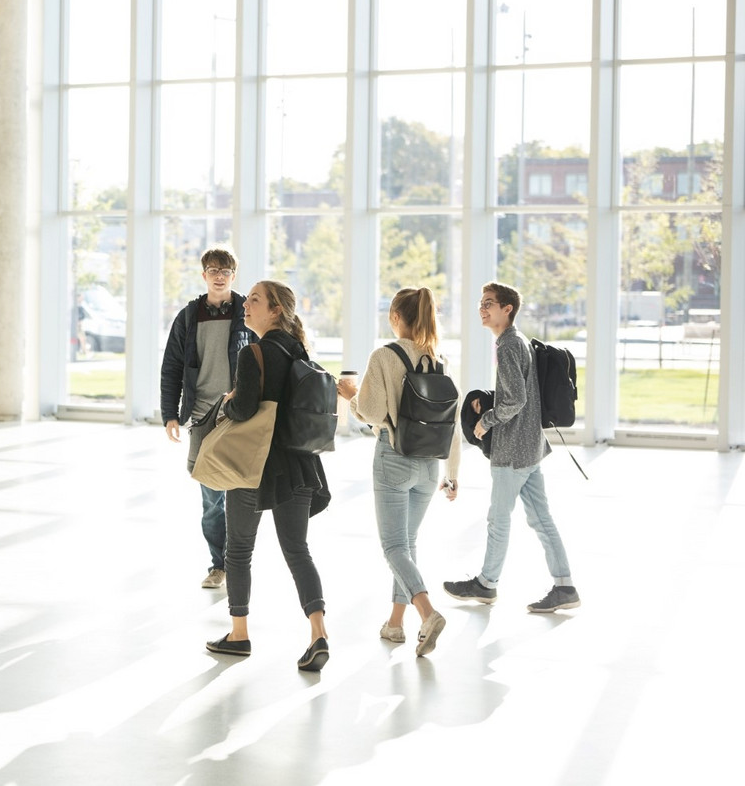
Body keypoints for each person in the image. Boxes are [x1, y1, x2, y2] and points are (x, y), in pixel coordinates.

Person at [204, 280, 332, 672]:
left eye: (255, 300)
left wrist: (229, 400)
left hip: (253, 466)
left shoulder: (253, 353)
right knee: (297, 550)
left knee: (239, 550)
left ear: (275, 310)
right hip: (298, 465)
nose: (247, 305)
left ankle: (239, 634)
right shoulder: (299, 351)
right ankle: (318, 633)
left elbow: (243, 410)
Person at [443, 282, 581, 613]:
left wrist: (485, 420)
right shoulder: (518, 341)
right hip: (531, 447)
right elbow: (519, 394)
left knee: (498, 519)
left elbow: (515, 400)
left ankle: (486, 584)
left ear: (507, 309)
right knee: (541, 518)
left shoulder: (507, 345)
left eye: (489, 303)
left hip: (513, 451)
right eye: (481, 303)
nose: (482, 308)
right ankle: (565, 587)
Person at [338, 287, 460, 657]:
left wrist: (351, 394)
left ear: (395, 318)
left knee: (393, 546)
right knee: (406, 545)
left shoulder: (385, 356)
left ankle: (427, 613)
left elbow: (373, 413)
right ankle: (395, 624)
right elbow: (450, 425)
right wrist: (452, 474)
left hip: (393, 457)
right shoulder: (439, 360)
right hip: (429, 466)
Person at [161, 247, 255, 589]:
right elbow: (172, 366)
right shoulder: (189, 316)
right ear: (203, 274)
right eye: (213, 269)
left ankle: (239, 562)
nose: (219, 275)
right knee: (212, 500)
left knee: (242, 495)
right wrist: (170, 413)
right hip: (202, 417)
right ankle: (219, 565)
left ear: (234, 274)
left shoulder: (248, 312)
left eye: (226, 269)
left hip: (240, 417)